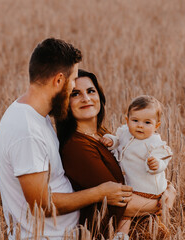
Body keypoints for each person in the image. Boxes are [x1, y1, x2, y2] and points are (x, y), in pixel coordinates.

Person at [0, 38, 133, 240]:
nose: (74, 91)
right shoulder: (27, 131)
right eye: (72, 82)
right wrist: (100, 192)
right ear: (59, 80)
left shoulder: (37, 116)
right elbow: (41, 205)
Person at [55, 70, 176, 239]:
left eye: (91, 91)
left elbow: (136, 167)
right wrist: (162, 203)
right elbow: (121, 204)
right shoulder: (76, 146)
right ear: (65, 103)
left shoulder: (105, 135)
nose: (86, 98)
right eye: (75, 94)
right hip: (107, 234)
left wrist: (168, 188)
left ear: (100, 96)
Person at [100, 95, 172, 237]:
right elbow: (118, 142)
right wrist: (111, 140)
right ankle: (122, 235)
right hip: (132, 185)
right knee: (126, 216)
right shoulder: (125, 133)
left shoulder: (154, 143)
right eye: (135, 120)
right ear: (127, 121)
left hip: (148, 189)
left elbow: (163, 160)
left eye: (147, 122)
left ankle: (156, 230)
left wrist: (156, 165)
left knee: (132, 212)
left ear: (156, 125)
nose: (140, 125)